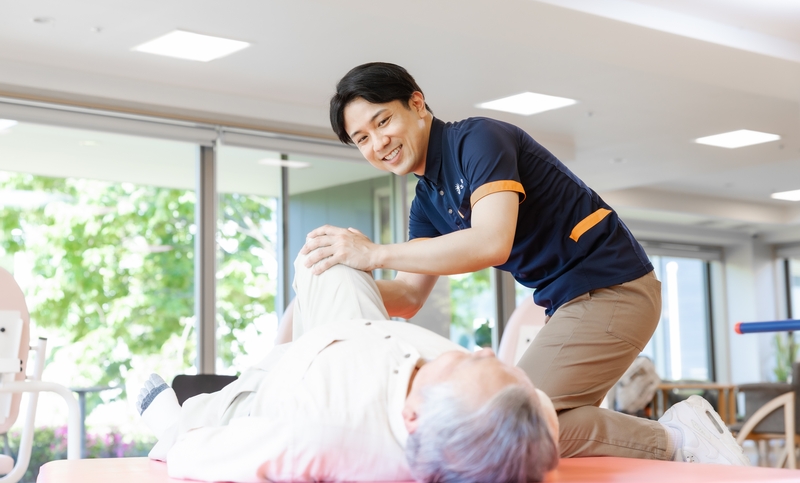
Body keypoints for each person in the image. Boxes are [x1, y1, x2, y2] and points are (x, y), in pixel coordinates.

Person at [299, 62, 749, 465]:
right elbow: (409, 296)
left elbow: (491, 241)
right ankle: (670, 438)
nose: (378, 143)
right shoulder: (426, 201)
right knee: (525, 425)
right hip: (569, 302)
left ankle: (676, 439)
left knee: (511, 419)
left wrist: (374, 253)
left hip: (613, 287)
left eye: (383, 121)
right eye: (362, 139)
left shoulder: (477, 139)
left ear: (416, 104)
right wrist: (332, 281)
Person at [136, 252, 560, 483]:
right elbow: (536, 410)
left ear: (414, 415)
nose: (482, 351)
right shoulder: (526, 415)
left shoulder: (321, 434)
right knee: (327, 256)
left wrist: (179, 438)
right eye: (496, 362)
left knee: (192, 426)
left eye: (465, 364)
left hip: (279, 388)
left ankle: (174, 419)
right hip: (362, 333)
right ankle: (284, 342)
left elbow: (198, 456)